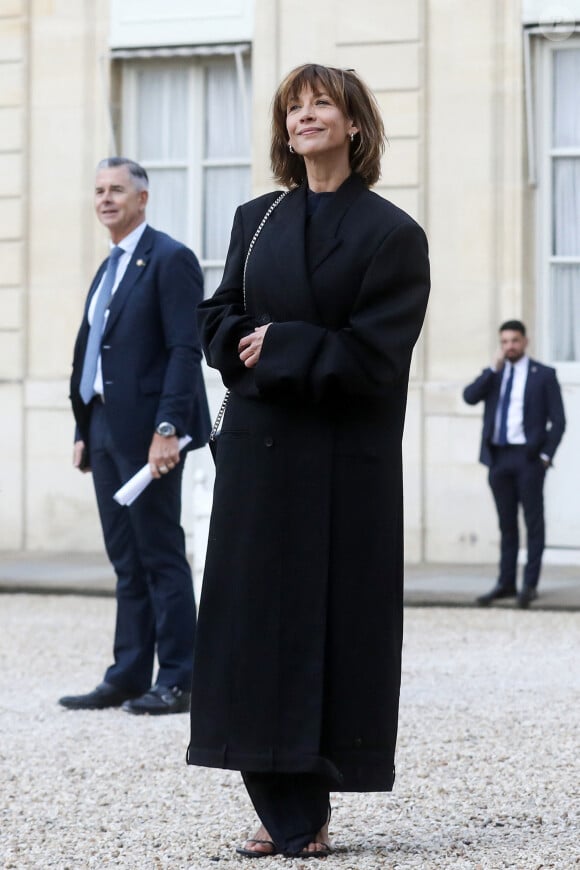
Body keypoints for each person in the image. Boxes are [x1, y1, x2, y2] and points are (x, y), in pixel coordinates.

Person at [186, 64, 430, 858]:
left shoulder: (393, 235)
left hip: (340, 469)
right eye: (294, 108)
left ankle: (307, 810)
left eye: (321, 104)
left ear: (356, 125)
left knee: (326, 629)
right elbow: (218, 315)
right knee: (251, 631)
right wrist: (240, 343)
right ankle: (281, 805)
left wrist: (279, 344)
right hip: (259, 461)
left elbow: (377, 356)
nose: (305, 117)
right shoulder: (256, 218)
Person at [61, 157, 210, 715]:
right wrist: (83, 427)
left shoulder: (169, 259)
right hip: (103, 429)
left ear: (142, 198)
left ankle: (178, 678)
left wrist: (168, 428)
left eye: (117, 190)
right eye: (98, 189)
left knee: (160, 555)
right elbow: (92, 353)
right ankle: (127, 674)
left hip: (150, 436)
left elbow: (183, 349)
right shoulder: (109, 268)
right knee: (126, 559)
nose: (105, 199)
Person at [463, 320, 565, 609]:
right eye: (505, 341)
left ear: (525, 341)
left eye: (514, 341)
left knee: (533, 522)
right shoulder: (494, 375)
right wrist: (492, 370)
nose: (510, 346)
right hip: (498, 458)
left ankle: (529, 584)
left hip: (528, 458)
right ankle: (506, 582)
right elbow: (469, 397)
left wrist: (545, 457)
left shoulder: (543, 375)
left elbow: (559, 421)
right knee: (507, 524)